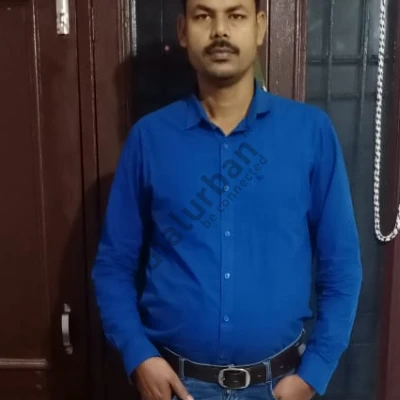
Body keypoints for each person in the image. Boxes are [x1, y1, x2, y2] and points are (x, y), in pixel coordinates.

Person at [92, 0, 363, 399]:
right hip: (176, 387)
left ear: (260, 27)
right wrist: (137, 355)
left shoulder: (310, 133)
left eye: (235, 15)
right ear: (183, 31)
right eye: (204, 16)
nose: (220, 30)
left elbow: (342, 266)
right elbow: (113, 266)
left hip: (277, 387)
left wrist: (314, 372)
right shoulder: (149, 140)